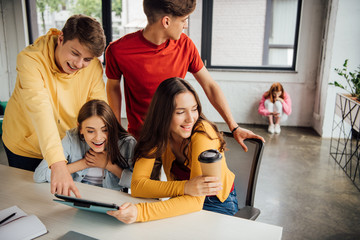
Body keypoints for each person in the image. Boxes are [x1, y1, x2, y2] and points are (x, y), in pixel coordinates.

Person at [105, 0, 264, 152]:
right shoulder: (118, 50)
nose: (185, 25)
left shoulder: (186, 45)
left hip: (180, 140)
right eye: (183, 20)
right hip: (143, 140)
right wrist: (116, 132)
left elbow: (209, 85)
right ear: (166, 21)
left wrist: (233, 126)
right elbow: (113, 88)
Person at [2, 14, 107, 197]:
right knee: (30, 199)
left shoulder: (93, 67)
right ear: (61, 39)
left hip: (64, 144)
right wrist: (57, 164)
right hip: (25, 144)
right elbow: (41, 112)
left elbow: (99, 110)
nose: (79, 64)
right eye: (74, 53)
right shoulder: (30, 60)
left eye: (87, 59)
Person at [107, 77, 238, 223]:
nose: (190, 119)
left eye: (194, 109)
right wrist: (185, 186)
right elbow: (137, 186)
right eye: (180, 112)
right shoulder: (157, 133)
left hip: (216, 204)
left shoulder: (203, 133)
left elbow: (196, 201)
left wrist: (140, 212)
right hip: (182, 199)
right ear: (163, 114)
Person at [34, 100, 136, 191]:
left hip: (112, 202)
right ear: (80, 129)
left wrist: (109, 165)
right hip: (78, 197)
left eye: (105, 130)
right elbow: (40, 175)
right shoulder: (72, 138)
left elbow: (138, 184)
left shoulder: (127, 144)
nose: (98, 138)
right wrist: (85, 163)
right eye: (91, 131)